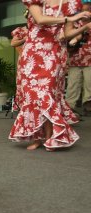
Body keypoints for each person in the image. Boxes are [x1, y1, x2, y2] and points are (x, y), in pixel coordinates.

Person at [9, 0, 91, 151]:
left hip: (53, 54)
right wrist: (70, 18)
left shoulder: (69, 4)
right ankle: (36, 136)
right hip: (32, 52)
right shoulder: (36, 1)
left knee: (46, 93)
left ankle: (49, 136)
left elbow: (66, 34)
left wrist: (85, 27)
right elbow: (40, 19)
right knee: (33, 96)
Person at [66, 0, 91, 115]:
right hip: (74, 58)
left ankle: (88, 105)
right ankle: (69, 107)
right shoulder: (74, 23)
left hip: (90, 59)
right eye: (83, 10)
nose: (86, 12)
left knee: (89, 83)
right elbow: (66, 38)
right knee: (73, 84)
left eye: (88, 10)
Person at [11, 14, 29, 111]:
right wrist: (25, 39)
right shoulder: (22, 30)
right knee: (23, 83)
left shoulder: (42, 29)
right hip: (24, 61)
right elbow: (13, 43)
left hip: (39, 61)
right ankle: (23, 105)